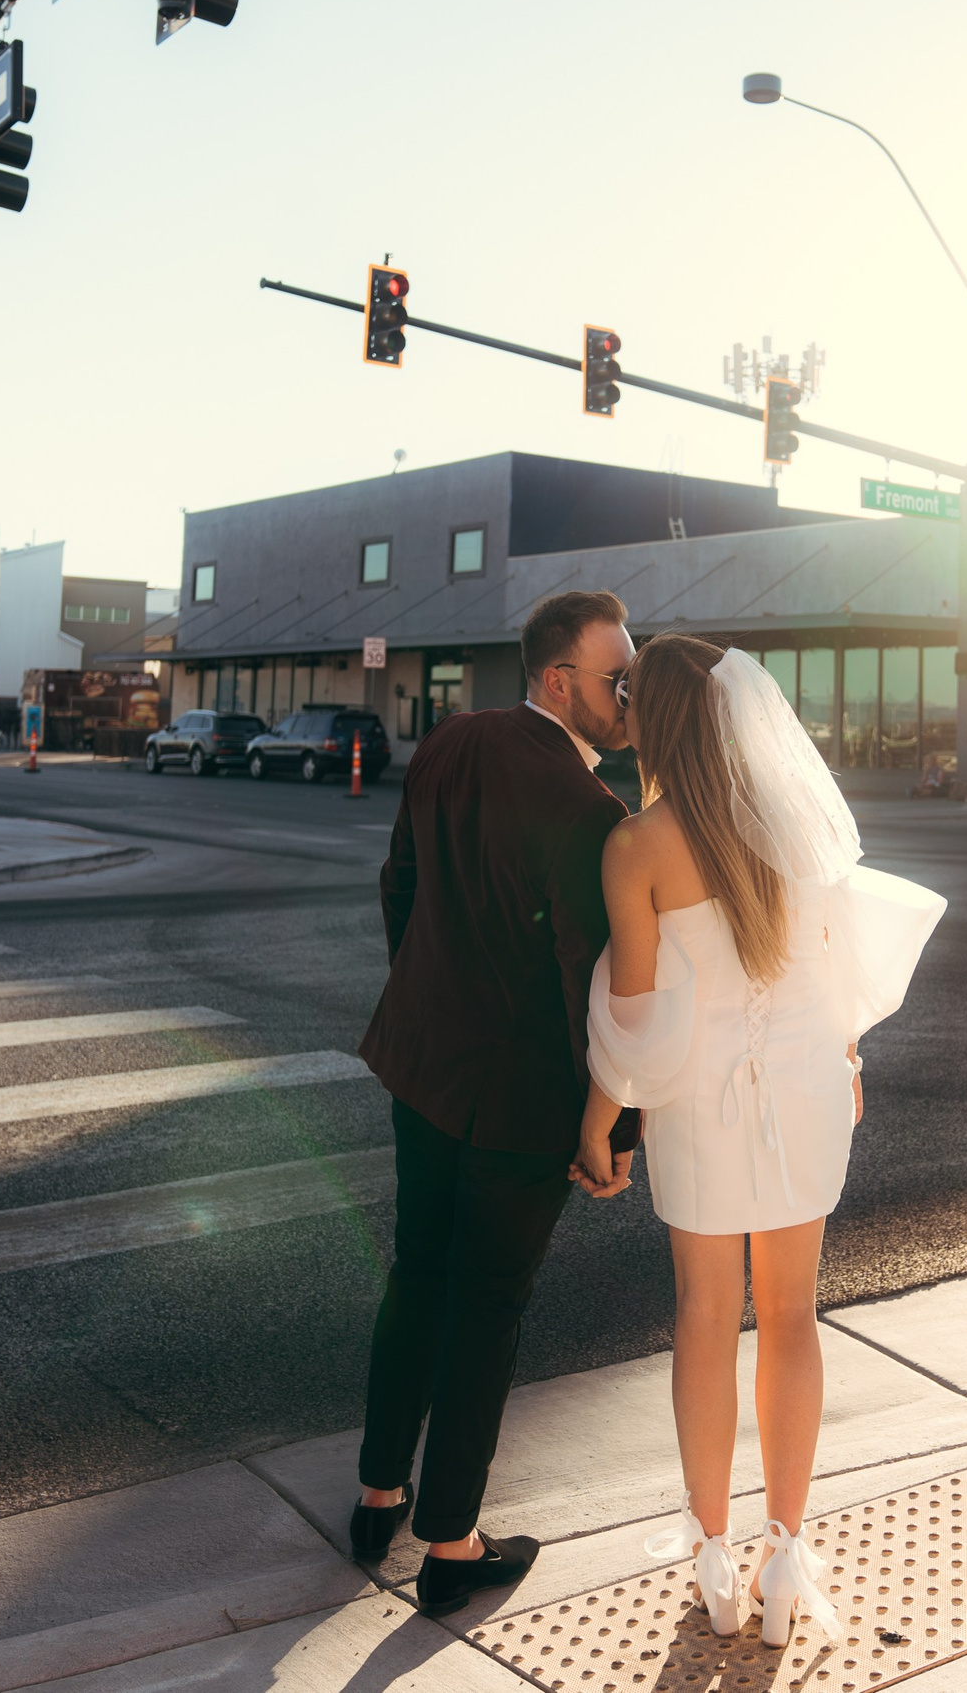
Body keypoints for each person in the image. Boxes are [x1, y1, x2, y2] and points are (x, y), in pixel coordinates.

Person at [582, 634, 945, 1647]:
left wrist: (598, 1119)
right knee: (792, 1316)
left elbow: (638, 1020)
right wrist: (846, 1063)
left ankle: (712, 1559)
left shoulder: (637, 845)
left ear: (654, 719)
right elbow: (836, 971)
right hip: (808, 1091)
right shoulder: (794, 824)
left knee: (704, 1315)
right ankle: (786, 1553)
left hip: (699, 1102)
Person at [348, 590, 642, 1618]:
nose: (631, 695)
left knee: (417, 1273)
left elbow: (400, 887)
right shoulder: (591, 814)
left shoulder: (448, 743)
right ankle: (452, 1542)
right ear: (561, 679)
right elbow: (592, 989)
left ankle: (379, 1491)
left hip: (422, 1067)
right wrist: (612, 1128)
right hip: (520, 1103)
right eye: (618, 678)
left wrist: (428, 1000)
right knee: (489, 1306)